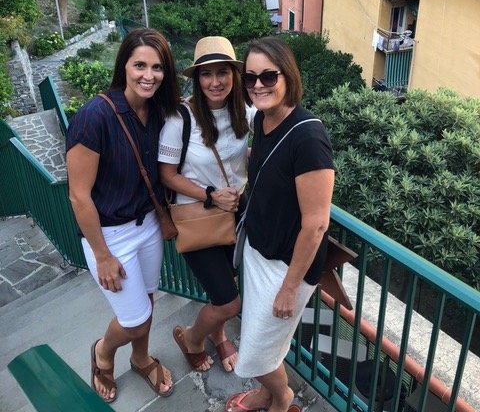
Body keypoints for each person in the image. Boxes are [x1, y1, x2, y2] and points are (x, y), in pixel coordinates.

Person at [66, 28, 180, 403]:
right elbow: (79, 196)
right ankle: (103, 352)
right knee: (134, 319)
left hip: (147, 225)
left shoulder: (160, 112)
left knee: (148, 301)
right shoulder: (94, 115)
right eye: (140, 65)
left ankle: (142, 358)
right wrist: (102, 255)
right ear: (124, 66)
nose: (149, 75)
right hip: (110, 235)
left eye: (157, 67)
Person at [226, 37, 334, 412]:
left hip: (286, 268)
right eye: (250, 77)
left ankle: (284, 397)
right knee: (264, 341)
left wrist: (289, 289)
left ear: (287, 76)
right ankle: (268, 393)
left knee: (255, 349)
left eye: (268, 76)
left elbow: (317, 224)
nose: (258, 85)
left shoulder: (308, 138)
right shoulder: (265, 120)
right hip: (259, 252)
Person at [158, 36, 255, 373]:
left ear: (234, 74)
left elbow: (266, 135)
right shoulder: (180, 119)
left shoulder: (245, 111)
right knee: (229, 301)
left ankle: (218, 333)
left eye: (222, 72)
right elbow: (167, 174)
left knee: (227, 284)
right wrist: (210, 194)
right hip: (197, 217)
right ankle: (192, 338)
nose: (215, 82)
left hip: (234, 215)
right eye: (206, 74)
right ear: (196, 79)